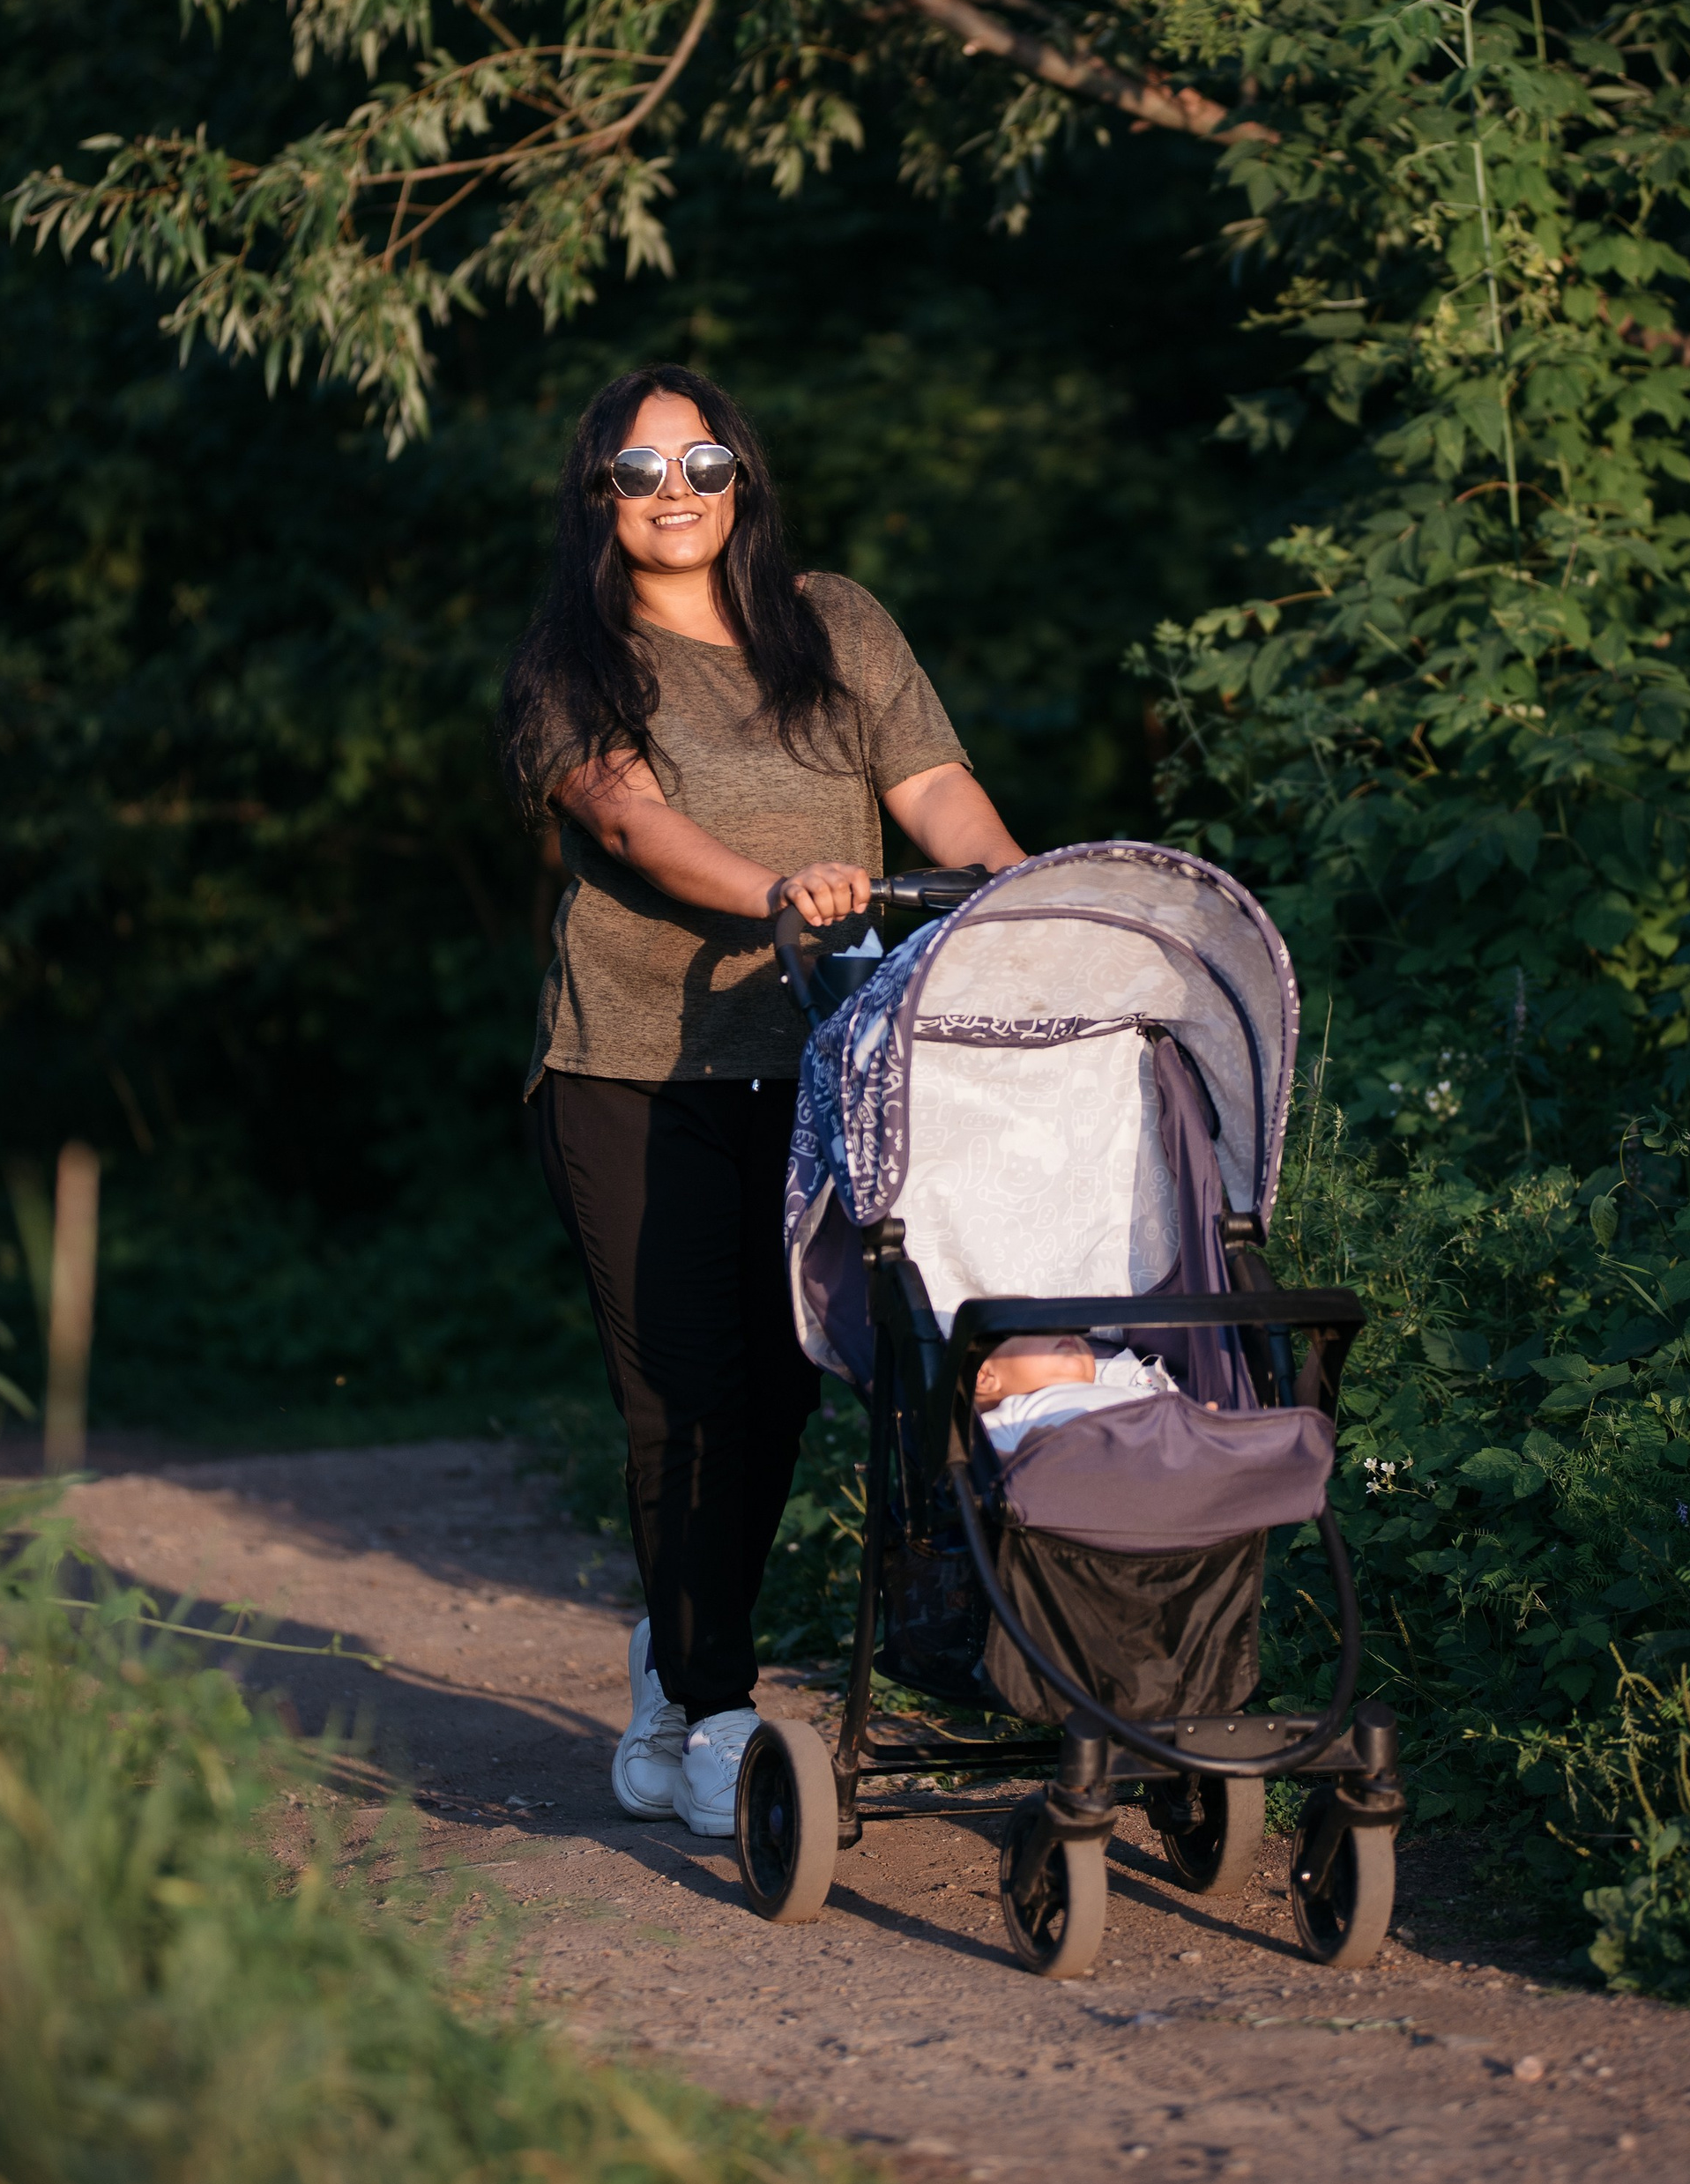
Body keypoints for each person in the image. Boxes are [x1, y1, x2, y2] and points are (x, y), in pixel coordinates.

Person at [503, 365, 1026, 1833]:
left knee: (783, 1391)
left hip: (827, 1066)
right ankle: (712, 1704)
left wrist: (1028, 904)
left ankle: (682, 1658)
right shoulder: (570, 661)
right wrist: (778, 891)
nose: (677, 493)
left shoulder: (836, 622)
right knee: (684, 1394)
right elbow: (631, 820)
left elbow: (938, 798)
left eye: (705, 463)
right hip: (633, 1075)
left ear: (745, 479)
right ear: (598, 496)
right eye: (641, 469)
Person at [971, 1333, 1187, 1454]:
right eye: (1038, 1328)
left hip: (1162, 1461)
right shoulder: (1014, 1415)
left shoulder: (1135, 1388)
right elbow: (988, 1470)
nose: (1063, 1330)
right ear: (985, 1379)